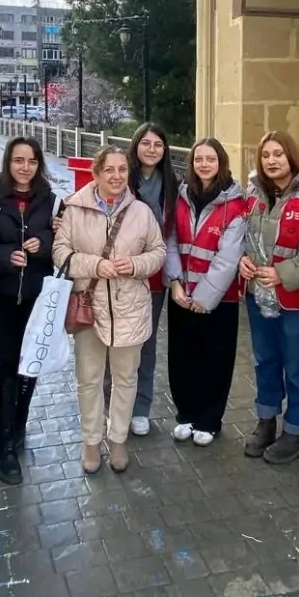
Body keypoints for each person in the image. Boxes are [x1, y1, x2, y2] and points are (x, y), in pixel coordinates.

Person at [52, 147, 165, 474]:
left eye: (122, 170)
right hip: (89, 307)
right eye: (109, 170)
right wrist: (95, 265)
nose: (117, 176)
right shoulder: (75, 208)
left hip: (131, 309)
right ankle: (91, 441)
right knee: (89, 380)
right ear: (97, 173)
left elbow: (158, 252)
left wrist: (136, 264)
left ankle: (118, 439)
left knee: (126, 379)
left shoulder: (141, 212)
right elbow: (60, 252)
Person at [0, 137, 59, 485]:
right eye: (18, 160)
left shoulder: (49, 200)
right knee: (10, 363)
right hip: (0, 296)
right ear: (8, 163)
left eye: (32, 161)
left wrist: (44, 244)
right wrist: (3, 256)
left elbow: (61, 239)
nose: (25, 167)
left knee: (31, 365)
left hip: (36, 296)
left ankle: (18, 425)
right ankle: (4, 443)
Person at [241, 131, 299, 464]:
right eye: (265, 155)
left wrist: (282, 273)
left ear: (291, 156)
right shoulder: (253, 193)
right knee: (265, 360)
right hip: (257, 293)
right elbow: (242, 236)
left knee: (297, 365)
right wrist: (242, 260)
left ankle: (296, 432)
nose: (271, 161)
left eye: (278, 154)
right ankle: (266, 420)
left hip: (295, 298)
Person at [165, 138, 247, 445]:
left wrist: (203, 298)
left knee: (215, 360)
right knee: (182, 357)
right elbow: (170, 241)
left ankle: (209, 420)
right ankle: (186, 413)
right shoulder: (181, 196)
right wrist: (174, 281)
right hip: (181, 295)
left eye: (210, 159)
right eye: (198, 159)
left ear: (221, 162)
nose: (204, 164)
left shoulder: (235, 204)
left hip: (218, 300)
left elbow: (229, 257)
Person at [102, 123, 178, 436]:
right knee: (115, 341)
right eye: (145, 143)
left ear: (165, 150)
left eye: (158, 144)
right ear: (135, 146)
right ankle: (113, 406)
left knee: (145, 343)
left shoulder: (172, 184)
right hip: (118, 273)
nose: (151, 149)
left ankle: (141, 408)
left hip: (153, 275)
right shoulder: (121, 178)